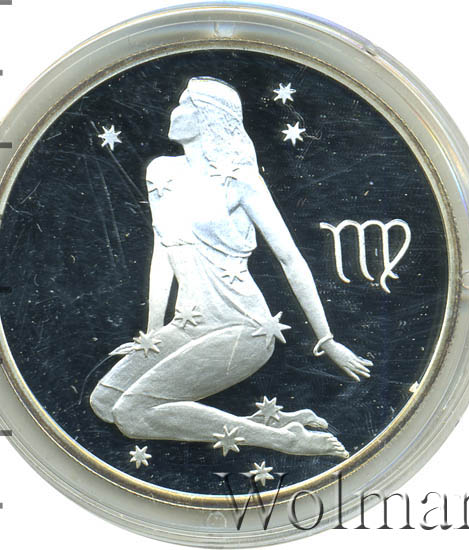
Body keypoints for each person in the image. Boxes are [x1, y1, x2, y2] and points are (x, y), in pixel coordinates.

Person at [90, 77, 372, 457]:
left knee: (132, 413)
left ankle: (286, 441)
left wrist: (327, 340)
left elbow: (290, 258)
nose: (175, 111)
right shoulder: (160, 172)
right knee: (104, 403)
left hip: (244, 328)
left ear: (210, 118)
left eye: (186, 104)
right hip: (188, 325)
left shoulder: (241, 180)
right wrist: (154, 333)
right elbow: (164, 252)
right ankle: (267, 423)